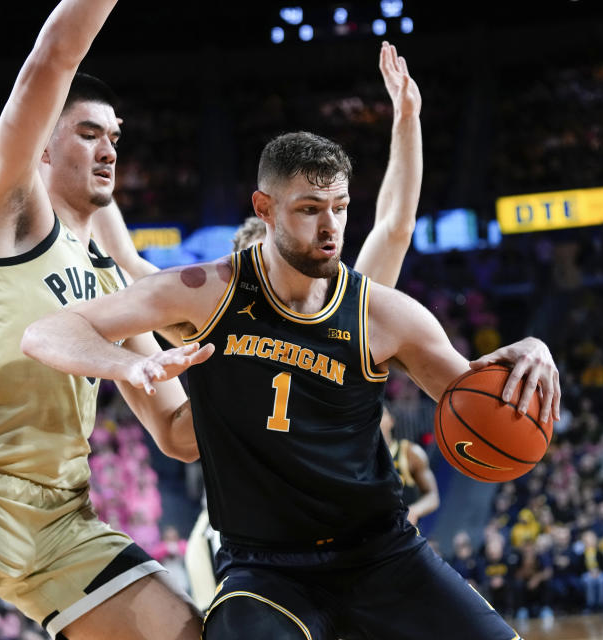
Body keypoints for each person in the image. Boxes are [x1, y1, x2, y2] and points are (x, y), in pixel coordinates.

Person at [23, 128, 561, 638]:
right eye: (309, 210)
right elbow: (46, 332)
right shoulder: (206, 293)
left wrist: (534, 351)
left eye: (340, 209)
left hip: (382, 553)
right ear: (265, 210)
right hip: (266, 570)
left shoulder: (385, 315)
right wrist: (121, 365)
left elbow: (470, 394)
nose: (330, 227)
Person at [0, 1, 206, 638]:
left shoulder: (117, 285)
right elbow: (55, 56)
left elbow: (177, 434)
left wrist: (263, 371)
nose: (108, 149)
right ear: (42, 147)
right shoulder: (11, 211)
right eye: (89, 132)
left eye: (115, 137)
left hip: (64, 517)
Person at [182, 40, 428, 603]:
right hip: (253, 545)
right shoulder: (214, 322)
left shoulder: (349, 304)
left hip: (346, 541)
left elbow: (394, 225)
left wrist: (407, 121)